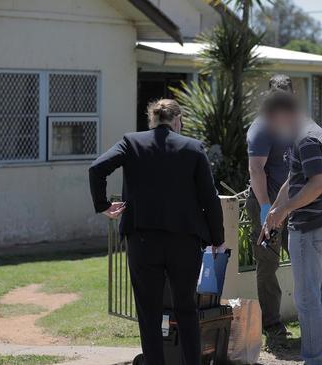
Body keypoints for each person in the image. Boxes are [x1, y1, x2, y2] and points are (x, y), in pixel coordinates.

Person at [88, 99, 224, 365]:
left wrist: (103, 205)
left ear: (152, 120)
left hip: (142, 240)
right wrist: (217, 240)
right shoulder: (193, 148)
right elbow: (210, 198)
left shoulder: (131, 142)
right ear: (176, 120)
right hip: (184, 241)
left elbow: (97, 169)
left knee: (148, 312)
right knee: (186, 308)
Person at [260, 90, 322, 365]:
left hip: (310, 229)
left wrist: (286, 209)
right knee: (321, 295)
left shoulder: (305, 139)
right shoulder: (312, 132)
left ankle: (317, 360)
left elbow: (316, 184)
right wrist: (275, 211)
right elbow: (294, 180)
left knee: (308, 301)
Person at [245, 74, 293, 340]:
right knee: (268, 263)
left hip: (290, 206)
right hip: (269, 206)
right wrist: (266, 208)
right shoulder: (262, 126)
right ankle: (272, 322)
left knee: (304, 258)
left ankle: (316, 315)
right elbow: (256, 169)